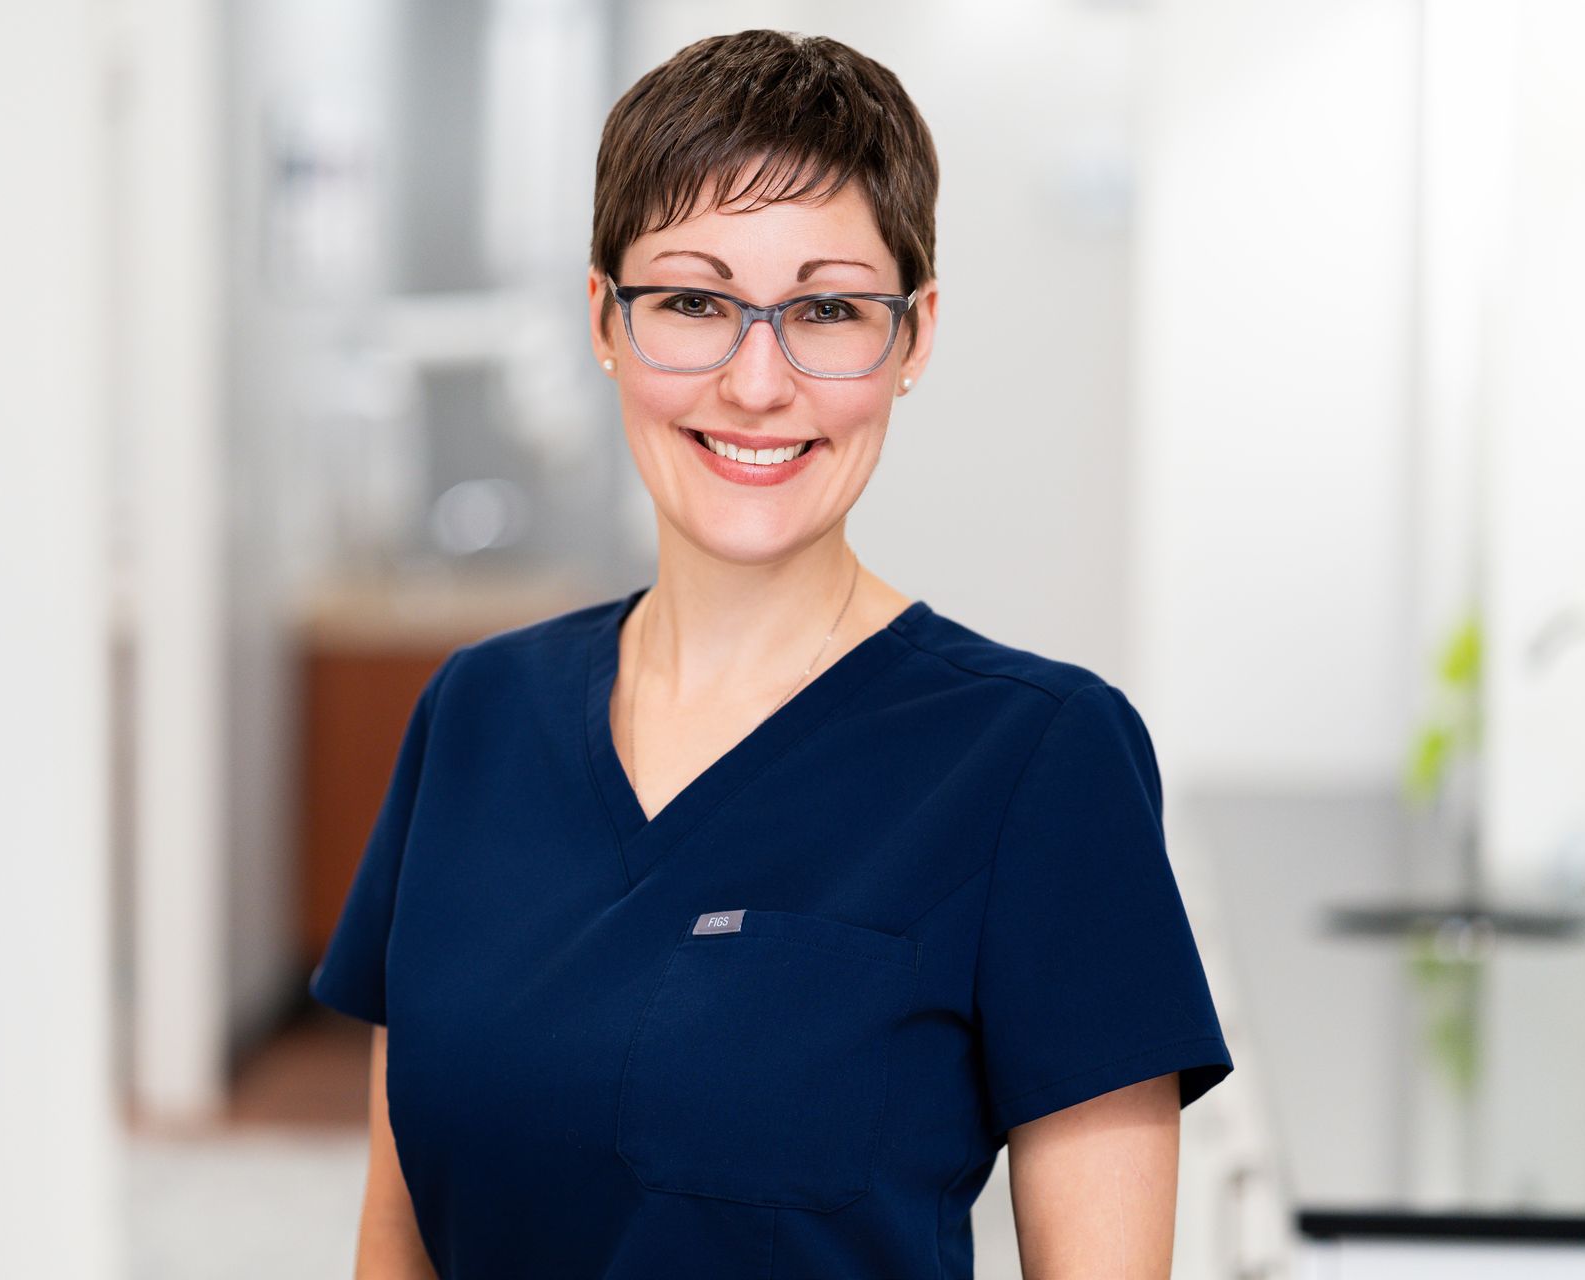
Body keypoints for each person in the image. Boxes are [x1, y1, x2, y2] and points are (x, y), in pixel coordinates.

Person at [310, 28, 1233, 1280]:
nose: (757, 380)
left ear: (911, 340)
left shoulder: (1039, 760)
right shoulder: (477, 716)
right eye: (692, 299)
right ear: (604, 318)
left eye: (828, 308)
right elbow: (397, 1244)